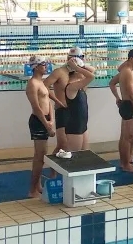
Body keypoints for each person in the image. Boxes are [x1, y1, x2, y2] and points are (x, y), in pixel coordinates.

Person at [25, 55, 56, 198]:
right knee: (39, 157)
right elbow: (36, 108)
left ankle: (38, 186)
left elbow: (48, 102)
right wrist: (47, 125)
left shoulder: (41, 82)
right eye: (43, 64)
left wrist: (52, 120)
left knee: (41, 156)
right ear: (36, 67)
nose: (46, 66)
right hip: (38, 121)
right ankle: (32, 190)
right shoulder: (32, 84)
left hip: (45, 120)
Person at [109, 49, 133, 172]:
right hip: (129, 106)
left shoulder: (125, 71)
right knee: (128, 137)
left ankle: (124, 163)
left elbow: (111, 83)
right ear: (131, 59)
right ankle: (126, 164)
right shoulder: (128, 72)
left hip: (126, 104)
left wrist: (118, 98)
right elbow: (132, 94)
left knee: (125, 137)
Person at [62, 48, 94, 151]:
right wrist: (77, 67)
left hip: (83, 125)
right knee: (74, 157)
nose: (84, 72)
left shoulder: (80, 85)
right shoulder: (71, 86)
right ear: (76, 71)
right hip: (74, 128)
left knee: (84, 156)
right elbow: (91, 76)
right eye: (82, 70)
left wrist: (81, 66)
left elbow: (92, 71)